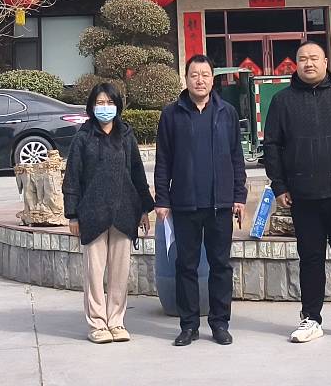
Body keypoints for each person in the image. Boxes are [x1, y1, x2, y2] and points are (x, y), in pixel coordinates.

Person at [262, 40, 331, 344]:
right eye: (302, 59)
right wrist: (279, 186)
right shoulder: (283, 101)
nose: (308, 63)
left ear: (326, 62)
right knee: (310, 258)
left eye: (314, 58)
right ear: (295, 64)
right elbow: (271, 146)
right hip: (304, 195)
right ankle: (311, 318)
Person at [154, 53, 247, 347]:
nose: (200, 80)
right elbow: (163, 160)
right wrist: (162, 199)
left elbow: (236, 157)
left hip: (220, 204)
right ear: (186, 78)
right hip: (185, 204)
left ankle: (219, 323)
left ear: (213, 79)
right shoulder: (172, 114)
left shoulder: (226, 112)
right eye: (194, 75)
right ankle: (189, 325)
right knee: (186, 266)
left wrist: (239, 196)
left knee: (220, 265)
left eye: (205, 75)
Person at [61, 82, 155, 344]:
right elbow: (72, 178)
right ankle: (97, 323)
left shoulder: (126, 135)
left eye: (110, 103)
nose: (105, 108)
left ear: (118, 106)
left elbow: (137, 173)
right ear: (92, 107)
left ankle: (116, 321)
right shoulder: (83, 138)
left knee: (119, 273)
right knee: (94, 272)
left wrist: (144, 208)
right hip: (93, 214)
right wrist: (72, 215)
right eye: (100, 103)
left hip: (124, 212)